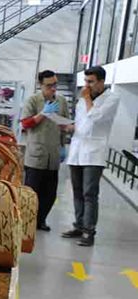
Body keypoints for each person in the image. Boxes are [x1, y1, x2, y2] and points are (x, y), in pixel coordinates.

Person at [61, 66, 120, 246]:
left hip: (94, 153)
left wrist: (86, 98)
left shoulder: (112, 98)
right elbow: (82, 122)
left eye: (91, 82)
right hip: (77, 149)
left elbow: (96, 117)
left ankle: (89, 231)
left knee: (89, 193)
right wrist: (70, 127)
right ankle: (79, 225)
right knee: (77, 191)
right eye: (85, 81)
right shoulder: (82, 101)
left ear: (101, 82)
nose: (86, 85)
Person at [20, 70, 70, 232]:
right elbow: (25, 124)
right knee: (31, 192)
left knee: (49, 193)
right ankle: (26, 222)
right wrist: (42, 114)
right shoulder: (33, 100)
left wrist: (63, 145)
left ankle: (41, 221)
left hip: (54, 154)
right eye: (49, 86)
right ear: (41, 85)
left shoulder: (62, 101)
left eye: (55, 85)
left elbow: (65, 124)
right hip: (36, 155)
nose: (53, 89)